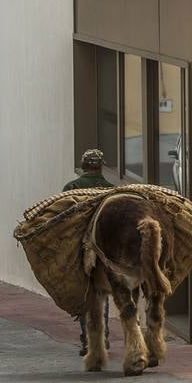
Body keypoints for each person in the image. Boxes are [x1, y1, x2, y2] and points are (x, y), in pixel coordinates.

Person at [65, 148, 112, 356]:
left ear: (83, 166)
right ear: (101, 167)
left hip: (82, 250)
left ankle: (87, 339)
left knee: (86, 293)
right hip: (107, 251)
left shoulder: (72, 187)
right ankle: (104, 337)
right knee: (104, 293)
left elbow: (64, 220)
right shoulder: (112, 190)